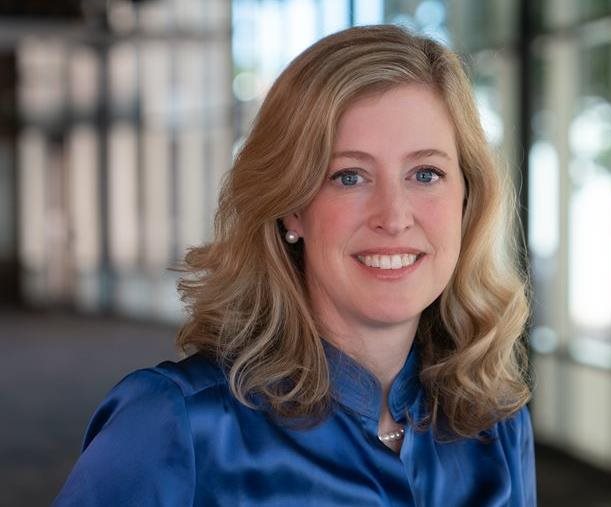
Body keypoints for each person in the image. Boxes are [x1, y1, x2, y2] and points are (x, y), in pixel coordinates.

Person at [55, 24, 535, 506]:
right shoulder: (176, 424)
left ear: (467, 198)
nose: (394, 217)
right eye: (349, 176)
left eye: (426, 174)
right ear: (292, 208)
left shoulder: (496, 426)